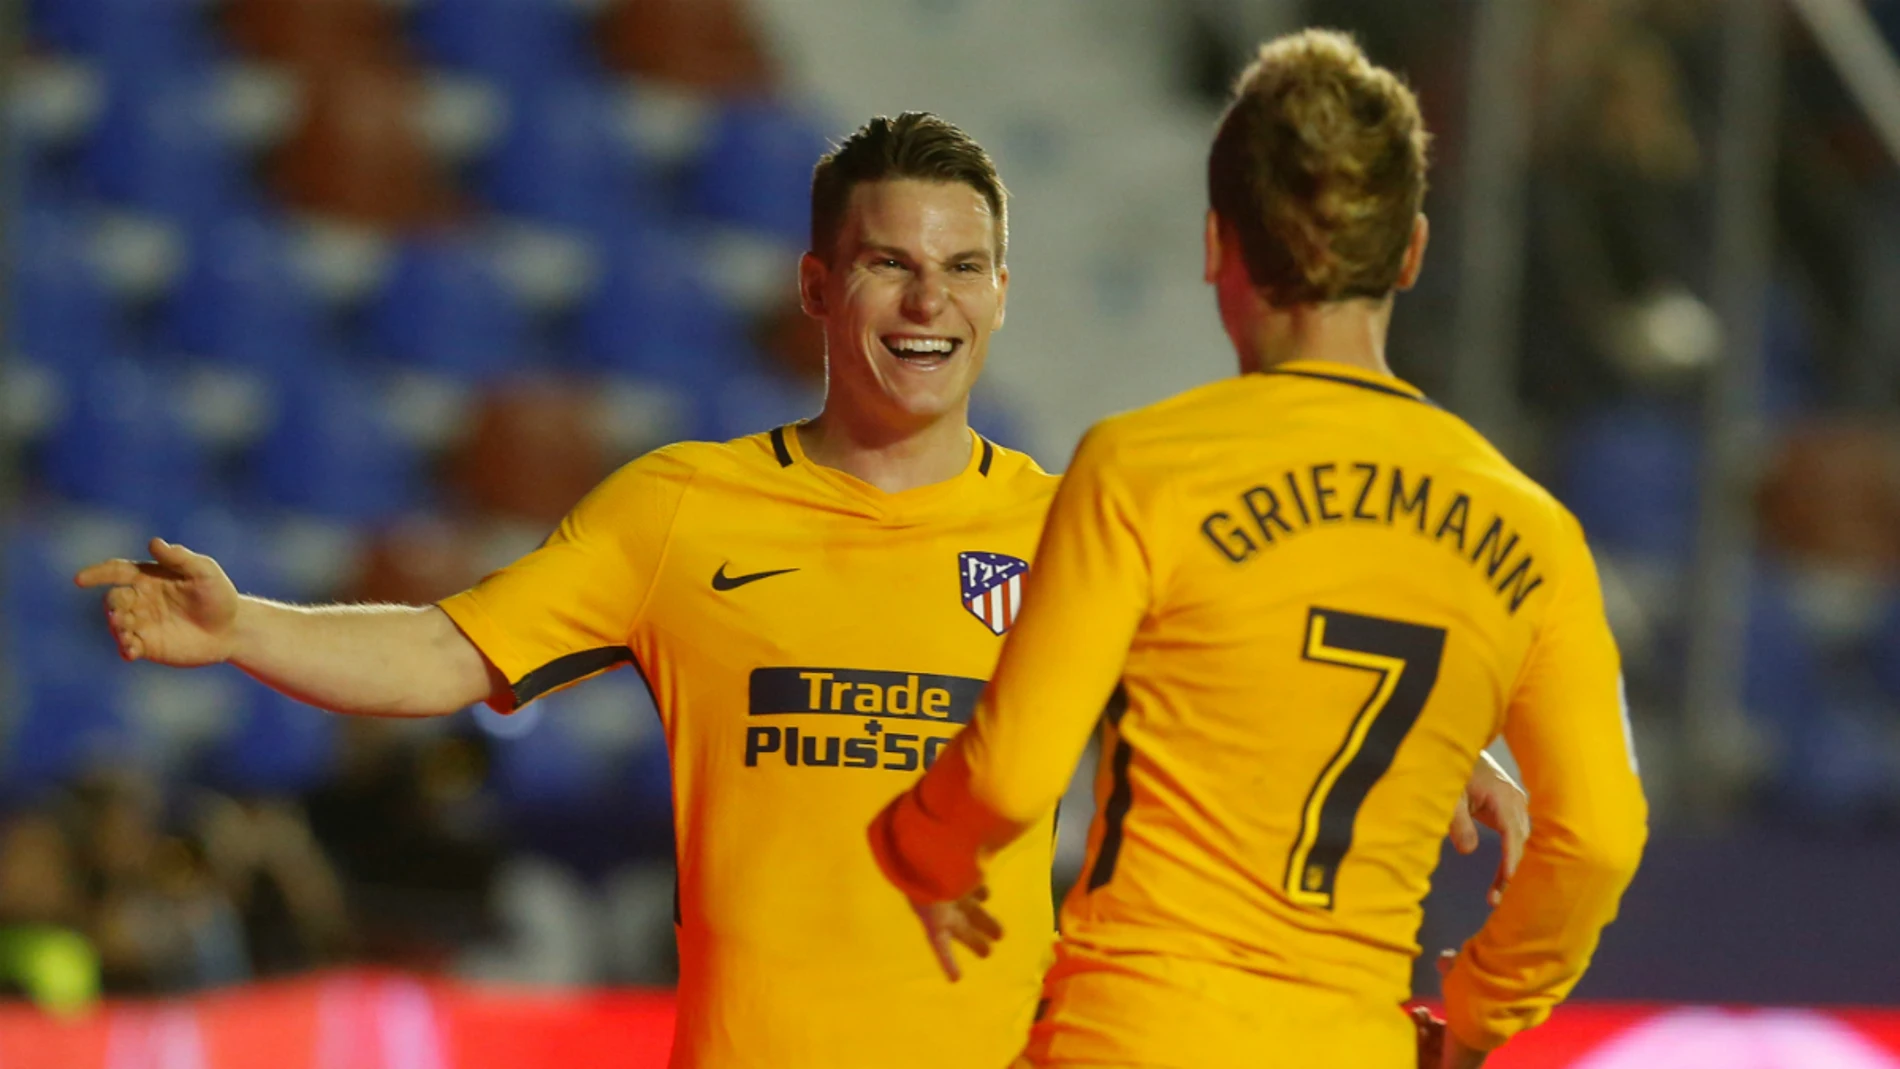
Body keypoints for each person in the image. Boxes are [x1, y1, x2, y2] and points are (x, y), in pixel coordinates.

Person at [78, 111, 1525, 1067]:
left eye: (964, 268)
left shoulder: (1082, 519)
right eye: (889, 264)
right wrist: (247, 625)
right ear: (820, 288)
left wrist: (1459, 741)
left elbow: (1273, 683)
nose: (927, 302)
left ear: (1003, 295)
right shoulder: (682, 510)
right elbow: (451, 651)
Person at [869, 32, 1648, 1069]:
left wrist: (920, 848)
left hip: (1137, 1032)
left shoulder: (1147, 469)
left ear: (1215, 243)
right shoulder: (1528, 526)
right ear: (1409, 251)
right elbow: (1595, 836)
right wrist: (1480, 1009)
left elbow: (1011, 780)